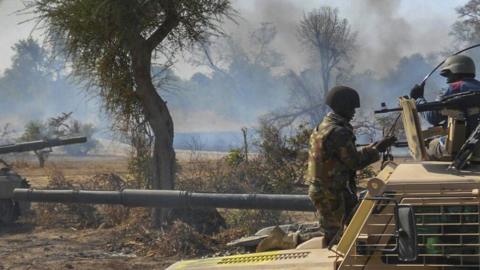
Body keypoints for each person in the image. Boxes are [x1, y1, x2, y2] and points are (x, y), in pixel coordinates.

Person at [305, 86, 396, 245]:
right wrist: (377, 149)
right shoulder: (339, 131)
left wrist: (372, 148)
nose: (354, 112)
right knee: (334, 237)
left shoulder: (324, 126)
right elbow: (355, 162)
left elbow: (344, 156)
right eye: (351, 107)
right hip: (330, 192)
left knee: (356, 222)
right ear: (341, 106)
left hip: (329, 189)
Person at [410, 55, 480, 159]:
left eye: (448, 74)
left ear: (455, 71)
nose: (447, 79)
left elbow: (432, 117)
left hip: (458, 149)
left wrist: (419, 98)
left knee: (428, 146)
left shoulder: (454, 89)